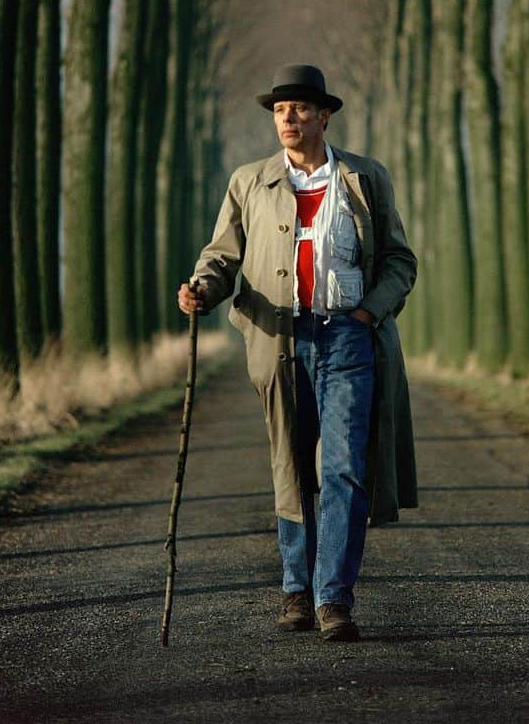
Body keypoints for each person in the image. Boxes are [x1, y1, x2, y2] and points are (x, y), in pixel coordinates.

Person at [178, 63, 418, 641]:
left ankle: (333, 599)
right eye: (281, 110)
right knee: (290, 468)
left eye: (301, 109)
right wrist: (203, 289)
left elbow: (399, 261)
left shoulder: (364, 178)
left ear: (324, 115)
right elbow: (221, 255)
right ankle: (295, 590)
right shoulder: (249, 182)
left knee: (343, 469)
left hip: (348, 339)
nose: (289, 118)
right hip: (278, 340)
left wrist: (368, 312)